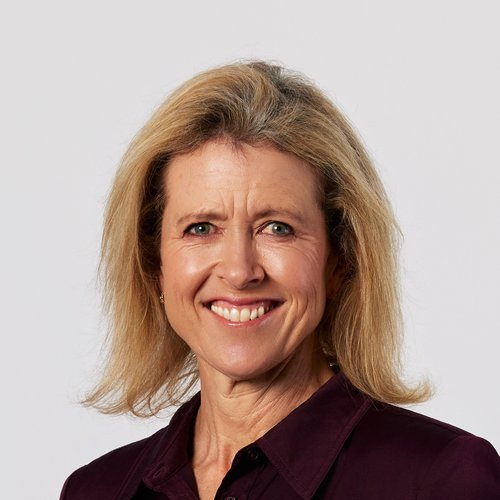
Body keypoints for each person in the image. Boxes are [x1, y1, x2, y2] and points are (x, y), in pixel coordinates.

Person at [60, 61, 500, 499]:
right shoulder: (96, 490)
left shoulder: (442, 479)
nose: (239, 271)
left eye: (277, 228)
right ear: (154, 263)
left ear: (340, 258)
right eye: (201, 228)